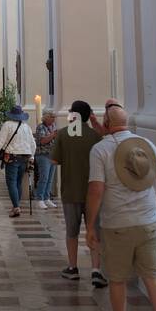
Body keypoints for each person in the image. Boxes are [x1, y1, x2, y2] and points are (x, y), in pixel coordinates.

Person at [86, 106, 156, 311]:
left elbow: (96, 190)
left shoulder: (101, 149)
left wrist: (90, 226)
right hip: (148, 222)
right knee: (152, 276)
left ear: (105, 122)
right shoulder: (145, 143)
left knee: (117, 279)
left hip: (117, 226)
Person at [50, 100, 107, 288]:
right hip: (93, 192)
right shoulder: (95, 135)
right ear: (88, 115)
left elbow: (55, 160)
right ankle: (96, 270)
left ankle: (73, 268)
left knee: (72, 232)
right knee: (95, 231)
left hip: (71, 191)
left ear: (73, 115)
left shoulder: (64, 134)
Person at [0, 104, 35, 218]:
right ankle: (16, 205)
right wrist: (32, 157)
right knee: (18, 182)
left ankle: (16, 207)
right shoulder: (26, 127)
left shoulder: (7, 125)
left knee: (11, 182)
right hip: (24, 157)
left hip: (12, 158)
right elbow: (32, 143)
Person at [33, 109, 58, 209]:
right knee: (44, 178)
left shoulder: (53, 126)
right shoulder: (40, 127)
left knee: (50, 179)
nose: (54, 119)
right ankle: (39, 199)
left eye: (54, 117)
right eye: (52, 117)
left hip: (52, 155)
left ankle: (47, 198)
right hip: (43, 155)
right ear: (46, 117)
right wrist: (53, 135)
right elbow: (42, 141)